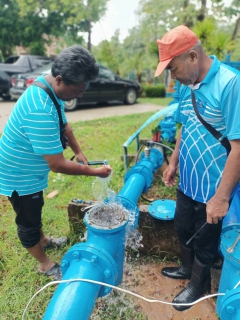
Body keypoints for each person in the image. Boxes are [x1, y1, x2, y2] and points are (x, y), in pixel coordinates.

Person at [0, 45, 112, 281]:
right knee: (28, 220)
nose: (79, 95)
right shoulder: (39, 108)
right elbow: (58, 164)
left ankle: (44, 240)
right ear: (60, 79)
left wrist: (79, 151)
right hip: (19, 174)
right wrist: (94, 172)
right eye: (77, 90)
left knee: (36, 205)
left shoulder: (50, 88)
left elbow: (64, 125)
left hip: (32, 170)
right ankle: (44, 264)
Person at [154, 25, 240, 311]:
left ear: (192, 56)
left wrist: (222, 197)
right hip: (188, 180)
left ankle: (197, 285)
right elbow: (185, 125)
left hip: (213, 186)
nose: (171, 75)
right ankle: (185, 268)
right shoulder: (185, 84)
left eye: (173, 68)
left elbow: (239, 148)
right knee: (182, 226)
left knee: (204, 239)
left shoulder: (230, 84)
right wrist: (174, 161)